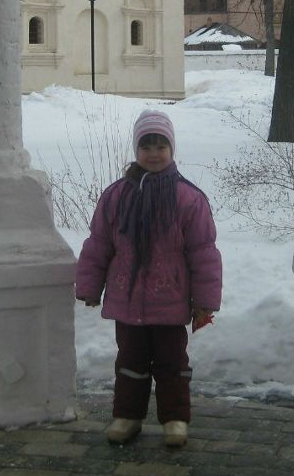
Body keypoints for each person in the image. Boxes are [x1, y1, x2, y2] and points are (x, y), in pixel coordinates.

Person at [75, 109, 222, 448]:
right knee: (130, 361)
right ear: (136, 150)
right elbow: (99, 244)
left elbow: (203, 252)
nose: (153, 154)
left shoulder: (188, 198)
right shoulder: (116, 196)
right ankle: (127, 416)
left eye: (160, 146)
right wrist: (90, 286)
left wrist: (204, 301)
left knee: (172, 363)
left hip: (170, 301)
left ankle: (174, 419)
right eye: (146, 147)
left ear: (172, 149)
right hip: (127, 300)